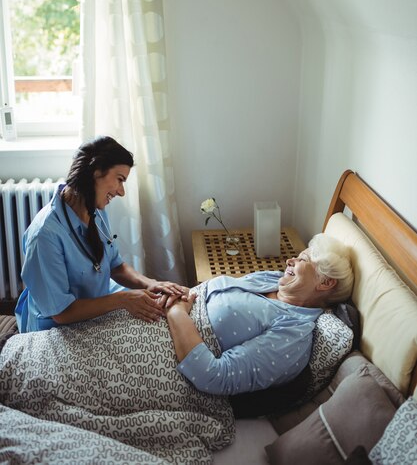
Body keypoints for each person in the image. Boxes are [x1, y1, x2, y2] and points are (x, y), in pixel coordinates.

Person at [15, 136, 188, 333]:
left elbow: (116, 267)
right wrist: (123, 300)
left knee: (164, 307)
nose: (121, 192)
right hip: (59, 323)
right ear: (95, 172)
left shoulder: (96, 211)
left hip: (101, 299)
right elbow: (61, 312)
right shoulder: (44, 236)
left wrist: (152, 284)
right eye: (120, 180)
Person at [166, 233, 354, 395]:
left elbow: (213, 377)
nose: (290, 261)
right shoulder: (273, 279)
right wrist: (178, 294)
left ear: (325, 283)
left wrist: (176, 312)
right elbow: (204, 293)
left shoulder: (294, 335)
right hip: (159, 315)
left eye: (303, 260)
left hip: (164, 358)